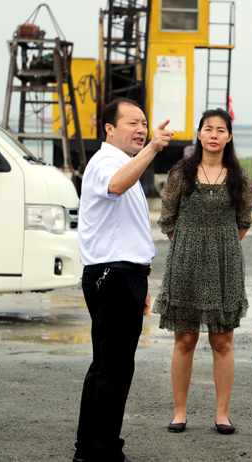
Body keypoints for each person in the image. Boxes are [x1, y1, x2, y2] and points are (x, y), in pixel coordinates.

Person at [74, 98, 173, 462]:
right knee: (113, 368)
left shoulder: (124, 163)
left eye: (144, 123)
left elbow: (129, 229)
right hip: (111, 274)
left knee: (107, 364)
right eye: (132, 123)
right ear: (109, 128)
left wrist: (141, 282)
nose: (141, 129)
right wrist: (152, 149)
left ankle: (89, 450)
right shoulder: (106, 162)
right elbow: (115, 186)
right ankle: (103, 452)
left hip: (123, 274)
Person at [152, 108, 252, 435]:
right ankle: (179, 411)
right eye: (208, 129)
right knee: (185, 340)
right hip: (185, 263)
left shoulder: (238, 175)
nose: (214, 135)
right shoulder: (181, 172)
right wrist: (191, 243)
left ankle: (222, 414)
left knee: (222, 341)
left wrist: (219, 245)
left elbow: (243, 222)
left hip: (225, 266)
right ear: (199, 134)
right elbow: (168, 220)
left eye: (220, 130)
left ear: (229, 136)